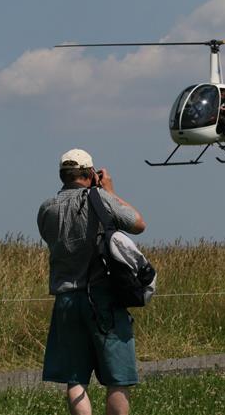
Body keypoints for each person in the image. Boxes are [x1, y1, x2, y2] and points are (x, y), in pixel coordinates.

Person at [37, 148, 146, 415]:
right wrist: (108, 190)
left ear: (62, 176)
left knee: (75, 378)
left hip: (66, 300)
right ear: (89, 174)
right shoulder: (100, 199)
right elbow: (138, 224)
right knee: (117, 379)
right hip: (102, 300)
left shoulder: (47, 209)